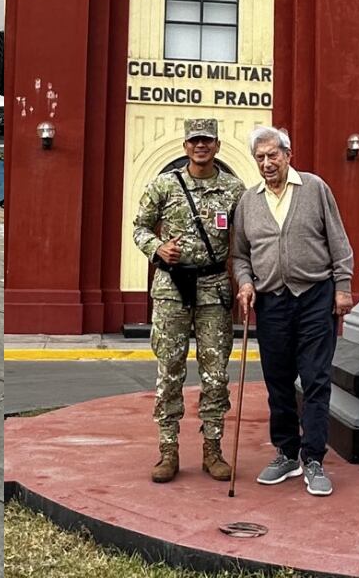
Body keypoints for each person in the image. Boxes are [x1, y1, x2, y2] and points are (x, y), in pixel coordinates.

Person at [231, 127, 353, 497]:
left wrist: (343, 287)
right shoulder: (248, 202)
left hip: (315, 296)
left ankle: (313, 458)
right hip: (271, 301)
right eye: (260, 158)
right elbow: (239, 254)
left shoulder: (314, 188)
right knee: (278, 381)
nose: (267, 163)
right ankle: (286, 452)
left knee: (315, 379)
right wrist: (245, 282)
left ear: (288, 154)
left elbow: (338, 240)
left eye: (273, 155)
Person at [132, 118, 246, 483]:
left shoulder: (234, 189)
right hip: (171, 290)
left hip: (214, 288)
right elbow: (139, 227)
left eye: (207, 141)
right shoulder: (164, 184)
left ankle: (213, 449)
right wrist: (157, 248)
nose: (201, 146)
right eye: (195, 140)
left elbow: (245, 239)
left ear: (217, 145)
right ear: (185, 146)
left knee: (216, 375)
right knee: (170, 372)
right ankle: (168, 450)